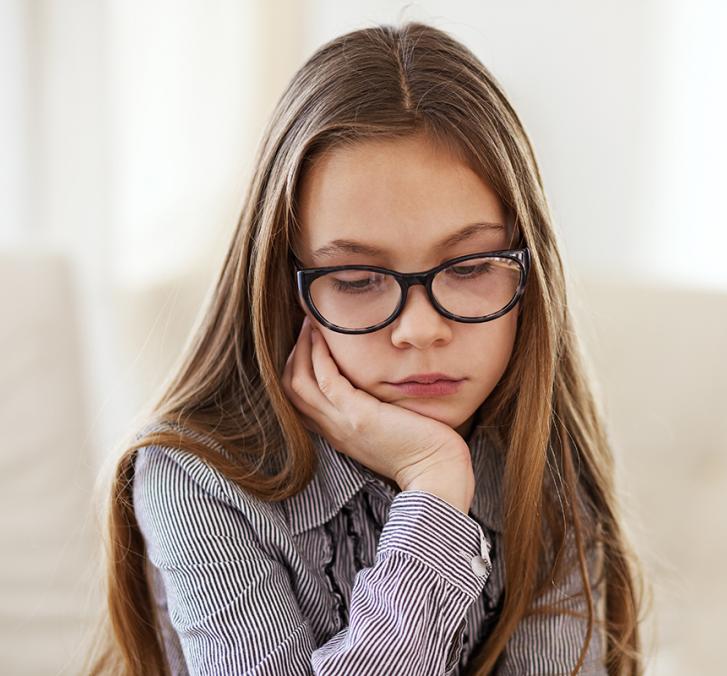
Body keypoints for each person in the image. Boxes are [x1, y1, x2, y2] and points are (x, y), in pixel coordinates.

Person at [84, 20, 649, 676]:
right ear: (287, 286)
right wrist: (436, 488)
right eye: (356, 280)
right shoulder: (198, 479)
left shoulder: (540, 465)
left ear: (529, 271)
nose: (419, 329)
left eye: (469, 268)